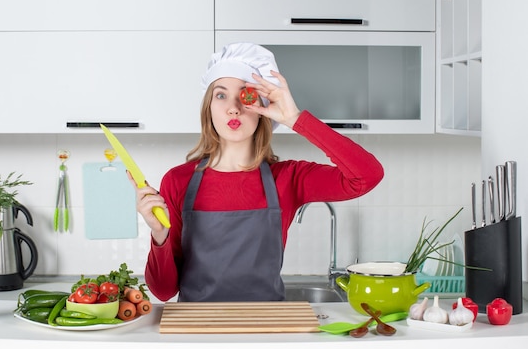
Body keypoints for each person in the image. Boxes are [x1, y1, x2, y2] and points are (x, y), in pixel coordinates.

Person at [129, 42, 384, 302]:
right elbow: (163, 291)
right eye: (220, 95)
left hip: (268, 326)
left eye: (245, 95)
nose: (233, 108)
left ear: (262, 108)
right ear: (208, 108)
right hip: (199, 329)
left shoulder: (288, 178)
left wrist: (295, 118)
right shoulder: (178, 180)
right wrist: (159, 235)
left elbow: (367, 175)